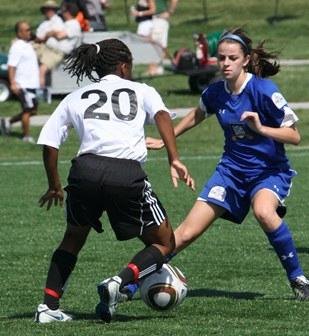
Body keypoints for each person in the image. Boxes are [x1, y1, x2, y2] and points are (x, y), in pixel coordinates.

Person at [145, 28, 309, 301]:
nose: (225, 63)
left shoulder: (264, 90)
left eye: (232, 58)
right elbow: (197, 114)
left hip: (268, 172)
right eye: (221, 58)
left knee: (264, 212)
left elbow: (295, 136)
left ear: (245, 60)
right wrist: (167, 139)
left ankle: (299, 279)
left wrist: (261, 128)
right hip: (230, 173)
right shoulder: (215, 92)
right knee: (186, 232)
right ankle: (132, 281)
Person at [34, 38, 195, 323]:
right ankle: (119, 282)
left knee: (72, 239)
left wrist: (54, 185)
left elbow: (49, 142)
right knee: (164, 243)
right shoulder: (142, 90)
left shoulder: (77, 96)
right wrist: (174, 157)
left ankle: (48, 308)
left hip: (84, 172)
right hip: (126, 174)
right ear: (123, 66)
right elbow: (161, 116)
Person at [0, 21, 39, 143]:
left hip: (31, 84)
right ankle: (26, 137)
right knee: (28, 110)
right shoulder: (17, 47)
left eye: (29, 29)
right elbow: (11, 66)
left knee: (33, 111)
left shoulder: (27, 44)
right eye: (26, 30)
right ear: (19, 33)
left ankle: (7, 122)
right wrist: (13, 83)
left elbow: (39, 39)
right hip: (23, 84)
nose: (29, 32)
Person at [35, 2, 82, 88]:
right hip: (49, 49)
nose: (61, 12)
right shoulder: (66, 23)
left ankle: (40, 92)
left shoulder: (74, 24)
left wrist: (51, 33)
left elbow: (60, 35)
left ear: (68, 12)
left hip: (58, 52)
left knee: (42, 70)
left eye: (63, 11)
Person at [146, 0, 178, 76]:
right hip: (152, 19)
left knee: (156, 44)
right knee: (156, 44)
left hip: (159, 19)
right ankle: (156, 68)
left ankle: (155, 69)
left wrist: (170, 12)